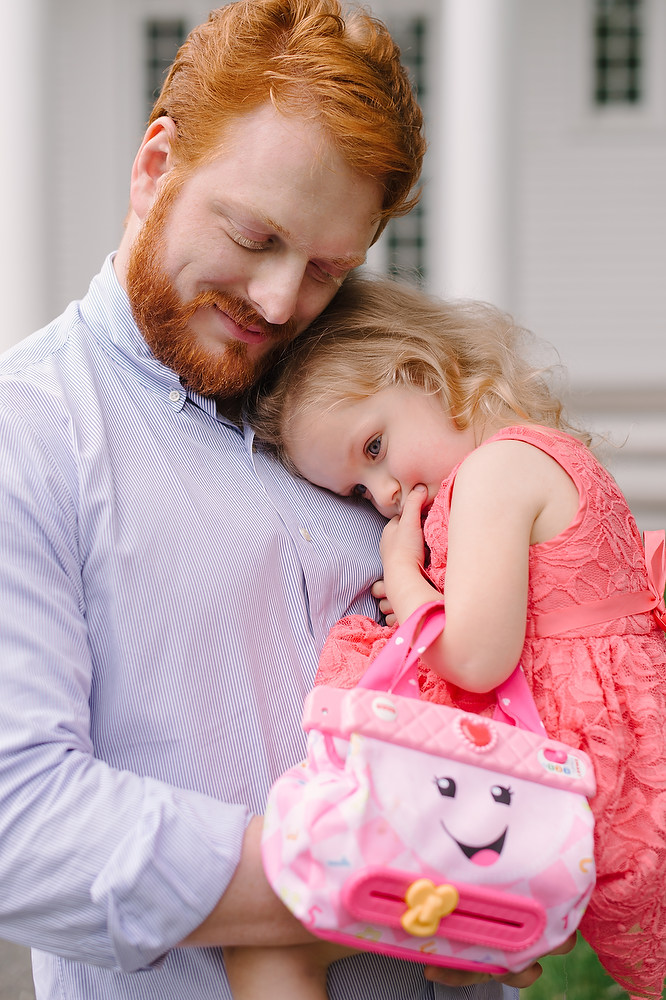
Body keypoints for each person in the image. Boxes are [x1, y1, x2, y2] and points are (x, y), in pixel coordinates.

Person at [0, 1, 540, 998]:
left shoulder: (363, 412)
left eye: (329, 269)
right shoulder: (28, 437)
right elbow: (18, 824)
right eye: (256, 236)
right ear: (156, 165)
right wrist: (396, 877)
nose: (282, 301)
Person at [250, 272, 666, 1000]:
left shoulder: (495, 474)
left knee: (274, 945)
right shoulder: (517, 460)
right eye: (356, 489)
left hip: (619, 768)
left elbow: (478, 656)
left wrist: (404, 579)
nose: (382, 496)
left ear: (424, 372)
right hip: (611, 754)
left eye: (374, 447)